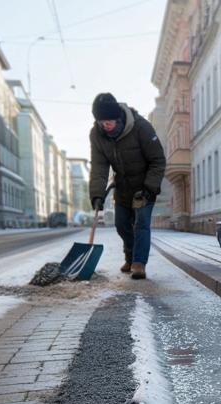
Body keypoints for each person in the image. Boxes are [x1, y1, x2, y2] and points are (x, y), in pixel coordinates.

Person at [88, 92, 167, 280]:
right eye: (101, 121)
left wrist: (150, 187)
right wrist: (97, 194)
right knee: (122, 225)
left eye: (109, 121)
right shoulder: (97, 135)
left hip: (144, 185)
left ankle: (139, 263)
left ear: (118, 117)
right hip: (123, 187)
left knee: (141, 224)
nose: (105, 125)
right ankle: (130, 257)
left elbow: (158, 160)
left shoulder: (141, 127)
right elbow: (99, 166)